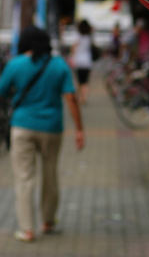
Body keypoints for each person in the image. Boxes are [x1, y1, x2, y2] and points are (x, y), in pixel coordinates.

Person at [0, 25, 84, 242]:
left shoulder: (15, 64)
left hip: (22, 127)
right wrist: (80, 130)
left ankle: (27, 229)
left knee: (24, 178)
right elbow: (71, 98)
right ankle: (47, 222)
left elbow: (2, 90)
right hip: (51, 128)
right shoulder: (59, 65)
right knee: (50, 175)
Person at [70, 19, 94, 104]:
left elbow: (73, 48)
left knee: (79, 80)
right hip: (87, 61)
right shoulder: (89, 36)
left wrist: (71, 57)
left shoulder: (77, 36)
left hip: (78, 61)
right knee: (85, 81)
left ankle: (79, 97)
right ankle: (84, 97)